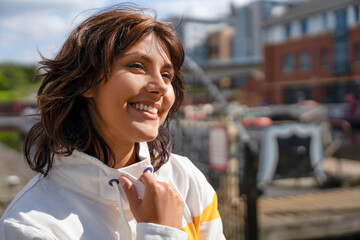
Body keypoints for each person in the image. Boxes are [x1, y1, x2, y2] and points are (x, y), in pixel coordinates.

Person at [0, 4, 225, 240]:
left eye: (167, 75)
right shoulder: (30, 226)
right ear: (86, 81)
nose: (160, 86)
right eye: (137, 66)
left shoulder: (187, 180)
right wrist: (161, 233)